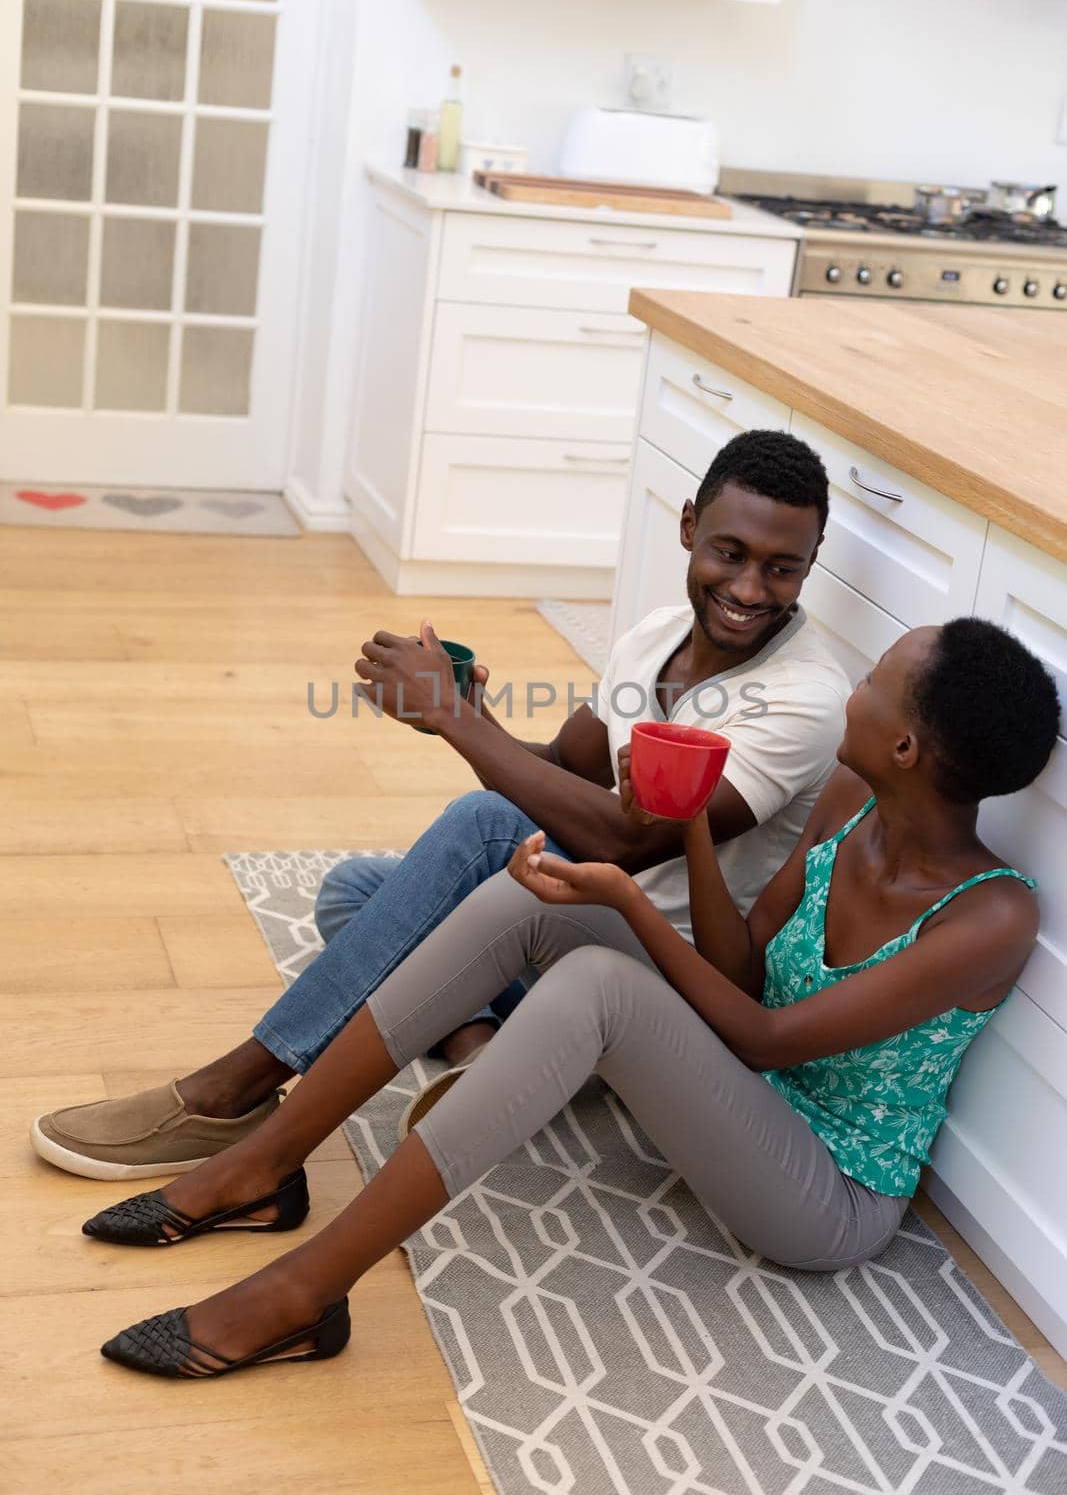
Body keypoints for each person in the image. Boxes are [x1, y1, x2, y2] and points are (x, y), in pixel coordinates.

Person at [86, 616, 1058, 1380]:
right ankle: (264, 1162)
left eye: (875, 682)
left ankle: (304, 1292)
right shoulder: (853, 804)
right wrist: (678, 827)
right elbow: (744, 969)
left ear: (906, 748)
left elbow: (763, 1037)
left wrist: (630, 900)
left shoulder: (989, 917)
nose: (854, 686)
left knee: (599, 974)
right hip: (748, 1086)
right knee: (528, 895)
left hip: (826, 1191)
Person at [33, 431, 852, 1180]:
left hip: (669, 972)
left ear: (809, 565)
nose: (749, 587)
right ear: (685, 529)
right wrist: (461, 714)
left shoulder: (803, 698)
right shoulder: (656, 636)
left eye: (781, 567)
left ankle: (238, 1089)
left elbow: (629, 839)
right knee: (355, 887)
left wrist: (462, 726)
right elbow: (567, 766)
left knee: (480, 827)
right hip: (575, 921)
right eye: (729, 553)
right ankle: (485, 1047)